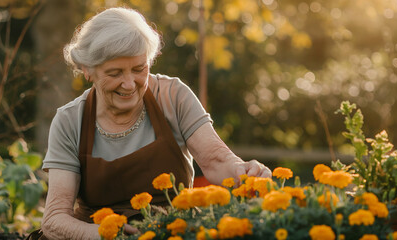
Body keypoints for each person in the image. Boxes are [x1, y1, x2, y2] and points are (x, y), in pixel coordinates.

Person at [40, 7, 271, 239]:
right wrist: (109, 235)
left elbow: (216, 160)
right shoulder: (69, 121)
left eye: (139, 69)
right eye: (115, 73)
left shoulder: (173, 96)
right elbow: (54, 219)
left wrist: (245, 172)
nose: (129, 84)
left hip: (170, 231)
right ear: (87, 69)